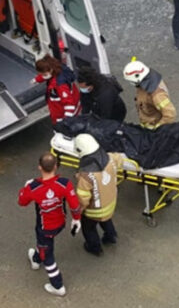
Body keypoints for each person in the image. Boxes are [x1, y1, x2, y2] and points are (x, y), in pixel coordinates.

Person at [18, 153, 82, 297]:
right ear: (56, 166)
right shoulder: (65, 183)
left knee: (48, 255)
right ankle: (35, 258)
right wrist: (76, 219)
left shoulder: (33, 187)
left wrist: (25, 187)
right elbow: (74, 205)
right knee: (43, 245)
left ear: (39, 167)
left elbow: (21, 202)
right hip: (60, 224)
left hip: (44, 228)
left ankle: (57, 285)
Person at [74, 134, 124, 256]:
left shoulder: (86, 176)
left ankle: (94, 247)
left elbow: (83, 199)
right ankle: (111, 237)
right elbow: (120, 161)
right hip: (111, 202)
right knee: (106, 220)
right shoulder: (111, 158)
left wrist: (78, 211)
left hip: (94, 210)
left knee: (88, 228)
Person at [122, 57, 176, 129]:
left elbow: (170, 114)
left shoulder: (157, 95)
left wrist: (157, 128)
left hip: (153, 127)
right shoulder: (146, 82)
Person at [32, 54, 81, 124]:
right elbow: (45, 76)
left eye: (44, 74)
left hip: (60, 112)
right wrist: (37, 79)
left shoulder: (60, 85)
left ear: (51, 70)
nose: (43, 76)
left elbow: (69, 104)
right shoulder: (58, 69)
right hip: (64, 105)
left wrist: (66, 120)